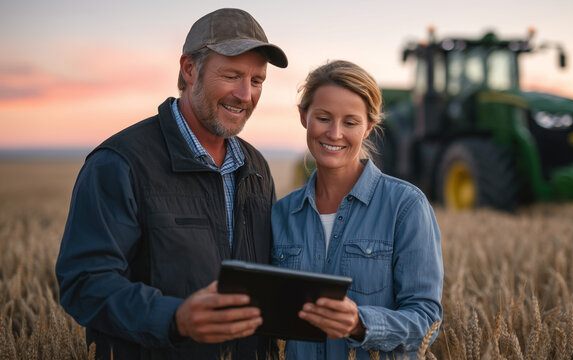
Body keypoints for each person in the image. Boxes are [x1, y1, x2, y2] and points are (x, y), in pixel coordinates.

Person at [55, 8, 287, 360]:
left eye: (257, 81)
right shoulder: (120, 163)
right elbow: (84, 284)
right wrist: (175, 319)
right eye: (232, 75)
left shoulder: (255, 168)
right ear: (189, 69)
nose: (245, 94)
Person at [271, 60, 443, 359]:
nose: (335, 133)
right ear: (303, 116)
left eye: (350, 122)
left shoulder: (405, 206)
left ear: (368, 128)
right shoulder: (281, 214)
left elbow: (427, 318)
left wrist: (361, 324)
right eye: (323, 118)